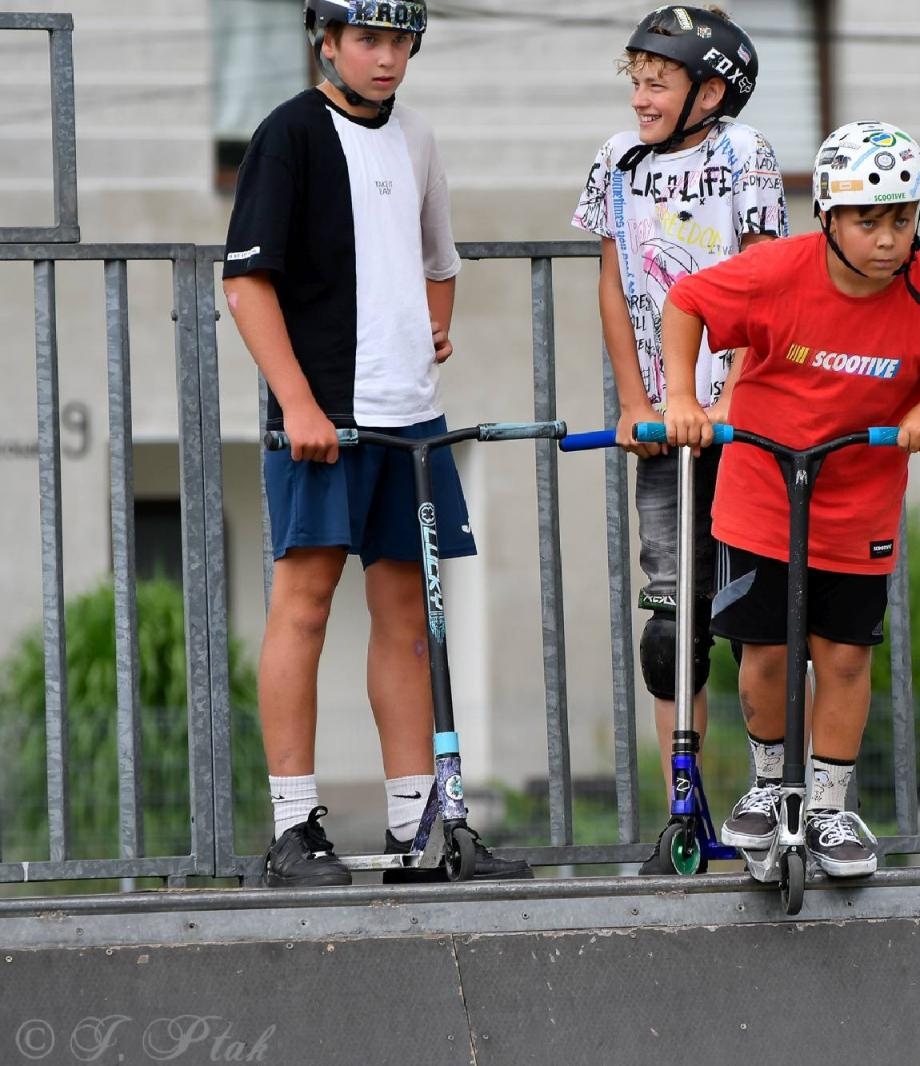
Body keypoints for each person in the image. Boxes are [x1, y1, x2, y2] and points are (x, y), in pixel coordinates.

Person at [223, 0, 527, 886]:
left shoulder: (418, 137)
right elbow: (246, 284)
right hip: (323, 418)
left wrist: (434, 326)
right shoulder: (288, 134)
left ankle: (418, 827)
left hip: (412, 424)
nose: (388, 59)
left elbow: (441, 259)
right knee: (304, 606)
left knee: (408, 618)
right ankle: (291, 830)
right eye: (369, 40)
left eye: (401, 42)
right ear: (327, 41)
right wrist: (298, 404)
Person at [664, 122, 920, 877]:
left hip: (857, 506)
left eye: (902, 218)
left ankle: (825, 806)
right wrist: (683, 397)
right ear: (826, 214)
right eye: (868, 220)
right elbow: (687, 300)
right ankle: (766, 786)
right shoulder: (776, 271)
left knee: (845, 658)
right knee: (764, 655)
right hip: (762, 493)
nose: (887, 239)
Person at [572, 4, 787, 874]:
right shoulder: (615, 164)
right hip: (665, 428)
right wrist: (634, 401)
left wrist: (733, 395)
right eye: (637, 80)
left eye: (658, 82)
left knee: (758, 621)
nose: (641, 97)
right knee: (671, 627)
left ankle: (776, 799)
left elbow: (769, 280)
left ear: (710, 90)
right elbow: (615, 282)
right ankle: (684, 811)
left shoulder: (748, 156)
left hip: (744, 421)